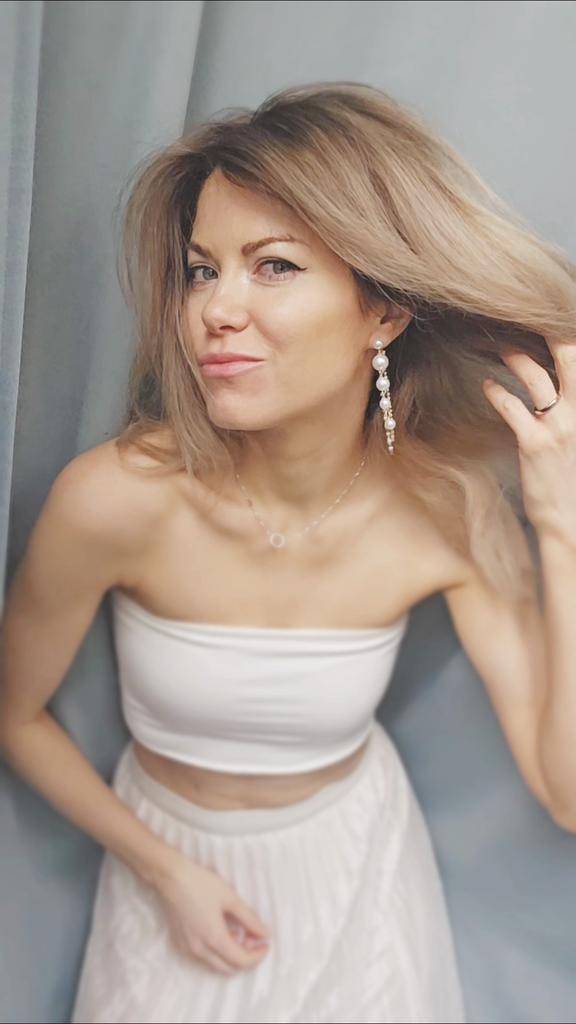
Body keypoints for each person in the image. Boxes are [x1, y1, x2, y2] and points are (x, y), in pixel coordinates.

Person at [1, 80, 575, 1024]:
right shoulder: (113, 499)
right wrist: (165, 871)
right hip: (167, 883)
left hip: (359, 888)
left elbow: (568, 794)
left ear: (383, 311)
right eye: (201, 270)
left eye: (272, 266)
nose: (215, 310)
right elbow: (14, 713)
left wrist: (563, 528)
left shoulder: (444, 513)